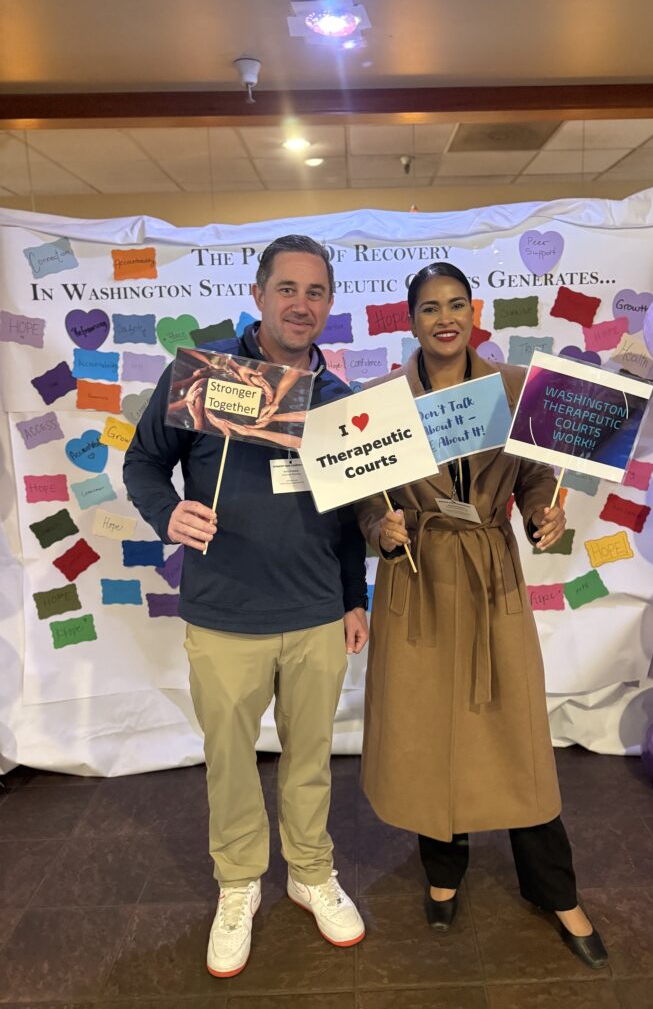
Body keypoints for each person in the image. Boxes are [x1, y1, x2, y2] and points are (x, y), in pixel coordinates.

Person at [124, 235, 369, 978]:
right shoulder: (202, 378)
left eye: (315, 292)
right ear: (258, 294)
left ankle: (310, 871)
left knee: (311, 758)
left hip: (317, 612)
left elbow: (349, 515)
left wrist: (353, 598)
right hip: (224, 611)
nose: (301, 304)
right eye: (287, 289)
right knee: (229, 761)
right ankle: (238, 885)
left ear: (329, 303)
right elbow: (143, 463)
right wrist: (167, 512)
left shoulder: (339, 400)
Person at [355, 262, 608, 970]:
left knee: (517, 735)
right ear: (411, 321)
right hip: (419, 580)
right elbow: (366, 494)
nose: (445, 318)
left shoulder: (515, 389)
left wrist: (543, 512)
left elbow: (534, 475)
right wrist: (381, 529)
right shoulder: (380, 402)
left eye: (456, 304)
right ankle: (444, 870)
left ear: (474, 312)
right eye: (430, 307)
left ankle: (555, 890)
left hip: (491, 577)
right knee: (429, 731)